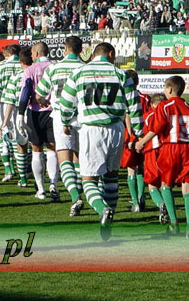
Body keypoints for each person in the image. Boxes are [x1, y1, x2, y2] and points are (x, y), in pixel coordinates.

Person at [59, 42, 142, 241]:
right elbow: (134, 104)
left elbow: (66, 102)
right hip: (116, 129)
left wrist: (65, 121)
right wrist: (137, 132)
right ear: (111, 54)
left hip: (91, 129)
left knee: (88, 179)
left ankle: (103, 210)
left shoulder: (79, 73)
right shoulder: (121, 74)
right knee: (112, 177)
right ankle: (109, 217)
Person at [134, 76, 189, 239]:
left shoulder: (165, 106)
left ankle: (174, 224)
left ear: (170, 89)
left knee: (166, 184)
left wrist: (142, 142)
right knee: (187, 185)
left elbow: (156, 128)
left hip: (171, 148)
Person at [35, 36, 86, 216]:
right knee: (80, 158)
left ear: (65, 49)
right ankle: (85, 191)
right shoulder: (85, 68)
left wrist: (41, 101)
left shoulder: (54, 68)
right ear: (81, 49)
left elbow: (40, 93)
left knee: (64, 157)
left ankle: (74, 196)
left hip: (60, 115)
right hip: (83, 116)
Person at [17, 42, 57, 201]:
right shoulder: (55, 67)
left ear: (37, 53)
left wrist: (20, 113)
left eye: (32, 54)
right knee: (52, 149)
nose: (31, 56)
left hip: (35, 113)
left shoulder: (30, 70)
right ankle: (53, 184)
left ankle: (41, 189)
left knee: (36, 150)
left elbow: (26, 91)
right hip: (53, 113)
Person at [0, 44, 24, 181]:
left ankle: (8, 169)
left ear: (7, 53)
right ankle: (23, 172)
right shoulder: (23, 66)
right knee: (19, 137)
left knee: (4, 135)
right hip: (22, 104)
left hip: (4, 104)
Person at [1, 49, 34, 187]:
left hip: (20, 114)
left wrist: (5, 121)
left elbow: (9, 102)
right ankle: (42, 178)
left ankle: (23, 179)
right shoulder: (38, 74)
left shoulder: (15, 78)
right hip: (36, 111)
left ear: (21, 62)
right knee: (38, 146)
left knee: (21, 146)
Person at [120, 69, 149, 213]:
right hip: (145, 136)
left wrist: (131, 135)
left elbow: (127, 116)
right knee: (141, 167)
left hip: (130, 136)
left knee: (131, 169)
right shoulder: (146, 98)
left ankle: (135, 202)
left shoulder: (125, 98)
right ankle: (142, 196)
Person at [138, 93, 169, 226]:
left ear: (151, 105)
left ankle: (161, 204)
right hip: (166, 151)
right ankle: (167, 206)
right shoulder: (168, 115)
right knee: (164, 183)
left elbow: (143, 132)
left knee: (152, 184)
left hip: (151, 151)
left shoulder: (148, 116)